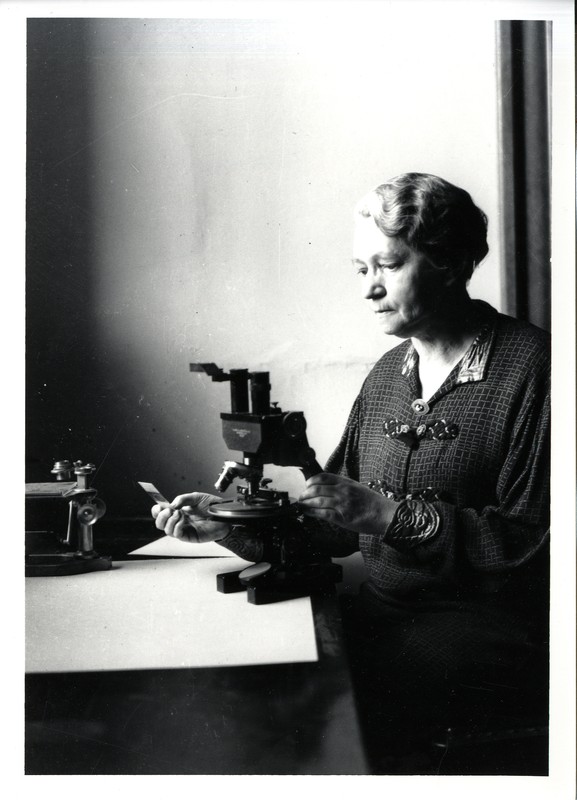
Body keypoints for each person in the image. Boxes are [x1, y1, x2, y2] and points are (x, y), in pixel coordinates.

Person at [151, 173, 550, 772]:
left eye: (387, 265)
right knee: (266, 681)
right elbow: (336, 525)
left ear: (447, 262)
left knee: (325, 714)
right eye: (360, 269)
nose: (369, 289)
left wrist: (390, 517)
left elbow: (529, 546)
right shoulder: (390, 374)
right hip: (383, 614)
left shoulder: (534, 368)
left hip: (484, 633)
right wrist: (224, 528)